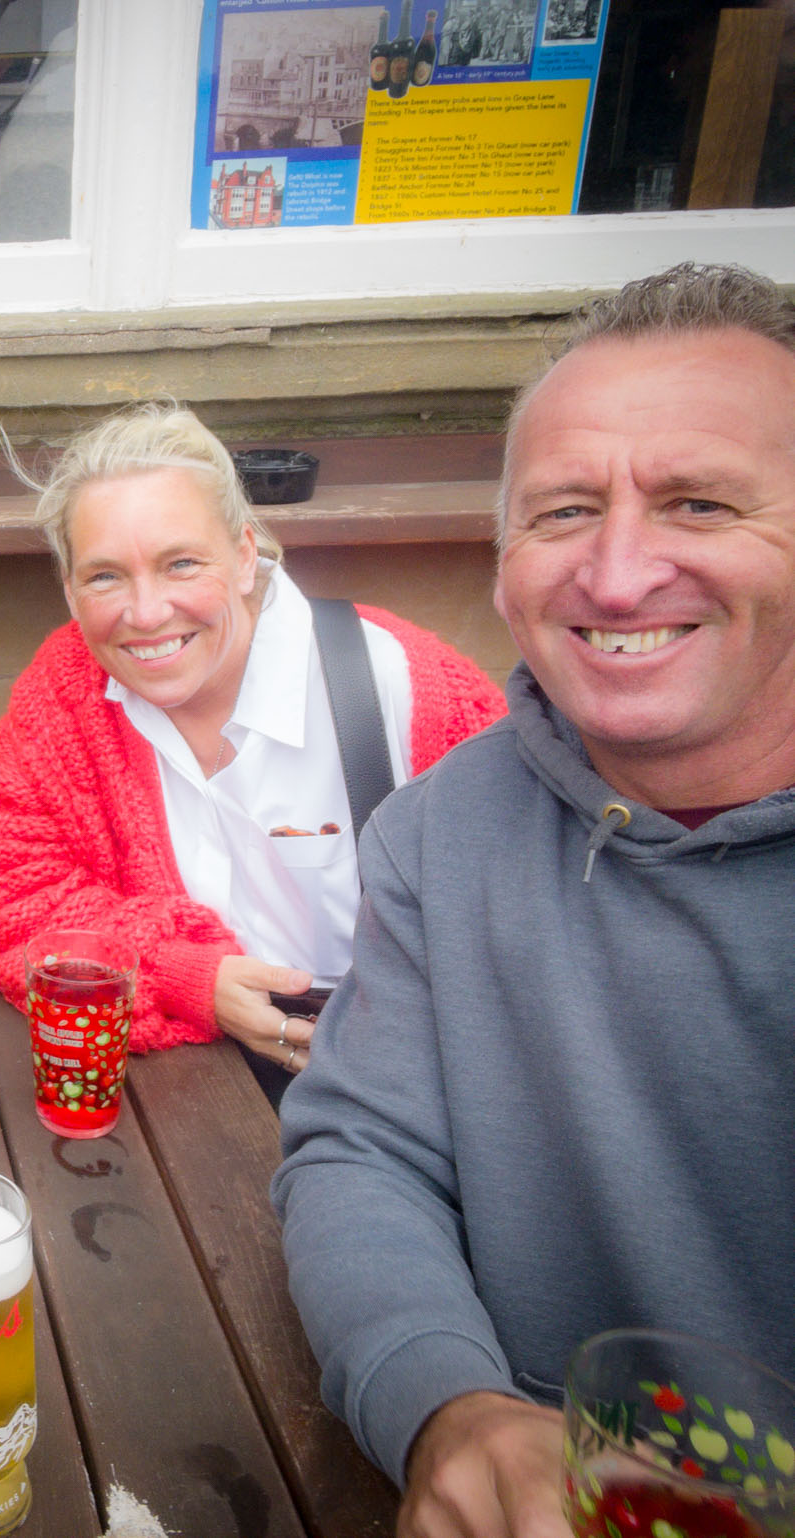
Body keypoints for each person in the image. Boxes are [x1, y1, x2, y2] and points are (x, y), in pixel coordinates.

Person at [272, 261, 795, 1538]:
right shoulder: (441, 835)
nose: (616, 576)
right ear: (503, 557)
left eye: (700, 501)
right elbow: (360, 1150)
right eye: (564, 510)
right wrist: (449, 1406)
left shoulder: (366, 682)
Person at [0, 403, 503, 1089]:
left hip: (391, 1074)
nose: (146, 613)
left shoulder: (401, 686)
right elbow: (3, 894)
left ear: (244, 556)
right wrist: (182, 974)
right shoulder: (69, 690)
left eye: (181, 564)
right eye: (105, 576)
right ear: (69, 589)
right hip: (190, 1081)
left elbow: (522, 908)